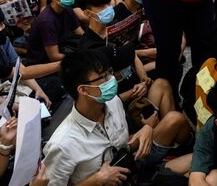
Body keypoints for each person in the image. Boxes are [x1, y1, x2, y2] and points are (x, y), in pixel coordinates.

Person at [43, 49, 190, 186]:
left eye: (110, 72)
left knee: (199, 164)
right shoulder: (62, 144)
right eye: (104, 77)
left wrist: (146, 130)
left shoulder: (113, 102)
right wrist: (96, 180)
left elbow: (120, 145)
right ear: (83, 90)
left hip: (133, 172)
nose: (112, 79)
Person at [27, 0, 84, 65]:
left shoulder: (67, 9)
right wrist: (82, 57)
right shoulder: (47, 21)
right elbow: (54, 57)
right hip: (43, 62)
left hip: (63, 47)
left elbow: (80, 34)